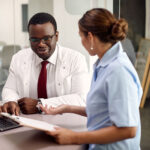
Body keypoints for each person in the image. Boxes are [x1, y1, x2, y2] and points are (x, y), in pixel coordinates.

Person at [39, 8, 143, 150]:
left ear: (90, 37)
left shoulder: (118, 71)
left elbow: (128, 130)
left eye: (81, 36)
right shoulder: (103, 65)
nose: (81, 42)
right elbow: (104, 111)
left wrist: (73, 137)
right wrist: (67, 108)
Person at [1, 12, 89, 115]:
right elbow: (9, 89)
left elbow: (81, 99)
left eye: (46, 38)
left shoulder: (75, 59)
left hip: (64, 122)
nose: (41, 44)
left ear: (56, 36)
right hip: (29, 122)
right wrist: (12, 101)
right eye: (34, 39)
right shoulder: (18, 58)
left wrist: (40, 105)